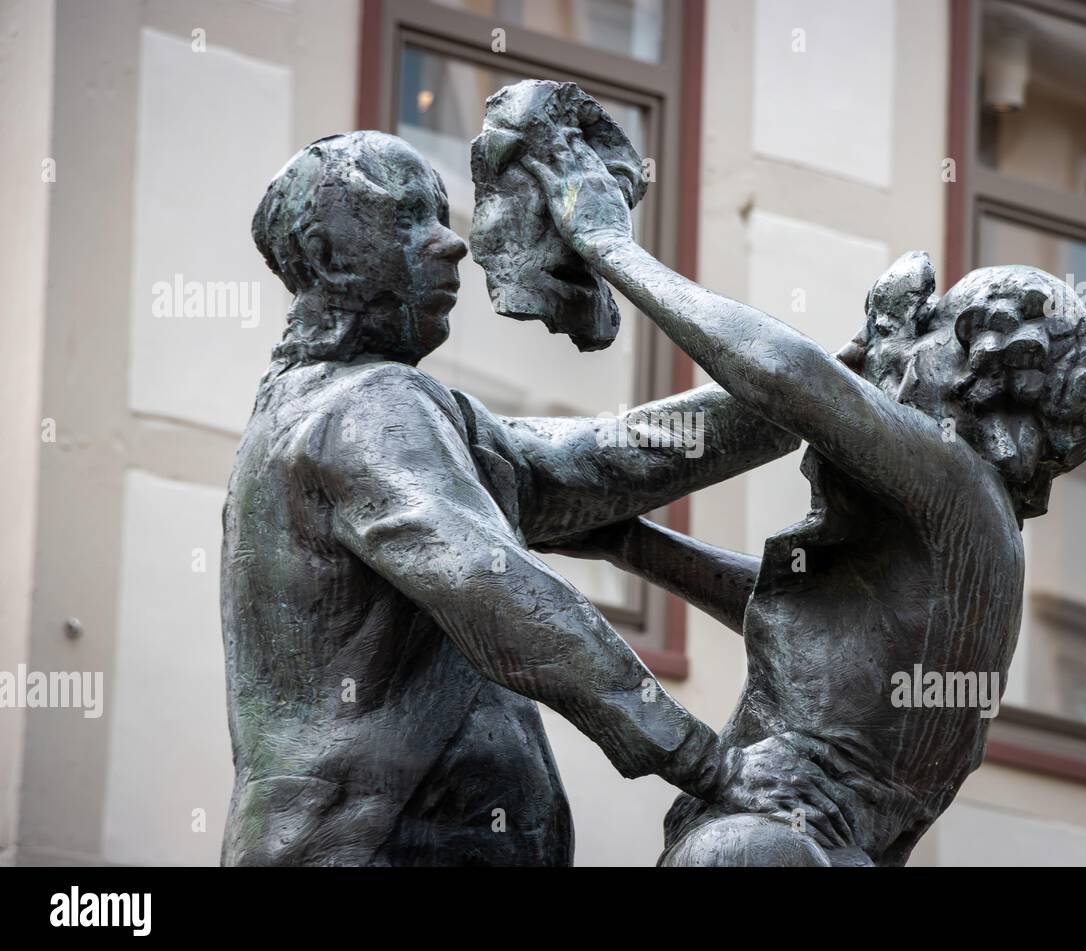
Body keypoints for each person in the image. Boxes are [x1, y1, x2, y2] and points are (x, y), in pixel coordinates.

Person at [220, 131, 854, 865]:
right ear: (329, 258)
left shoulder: (371, 414)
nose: (449, 243)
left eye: (439, 215)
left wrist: (839, 388)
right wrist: (703, 760)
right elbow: (491, 586)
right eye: (408, 220)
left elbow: (615, 458)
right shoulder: (365, 408)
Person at [522, 132, 1086, 866]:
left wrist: (606, 242)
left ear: (982, 367)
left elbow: (784, 373)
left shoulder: (951, 476)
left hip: (767, 844)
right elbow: (820, 633)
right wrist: (630, 544)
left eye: (929, 327)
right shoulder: (977, 539)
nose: (902, 346)